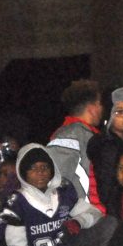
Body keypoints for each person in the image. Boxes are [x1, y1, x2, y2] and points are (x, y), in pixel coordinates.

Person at [2, 144, 116, 246]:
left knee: (109, 223)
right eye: (33, 168)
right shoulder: (17, 203)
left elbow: (94, 213)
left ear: (52, 170)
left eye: (44, 167)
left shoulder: (62, 191)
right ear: (23, 172)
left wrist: (78, 221)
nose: (40, 172)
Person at [48, 79, 106, 212]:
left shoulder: (79, 134)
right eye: (99, 104)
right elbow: (57, 182)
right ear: (92, 108)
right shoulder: (71, 135)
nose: (102, 108)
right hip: (85, 217)